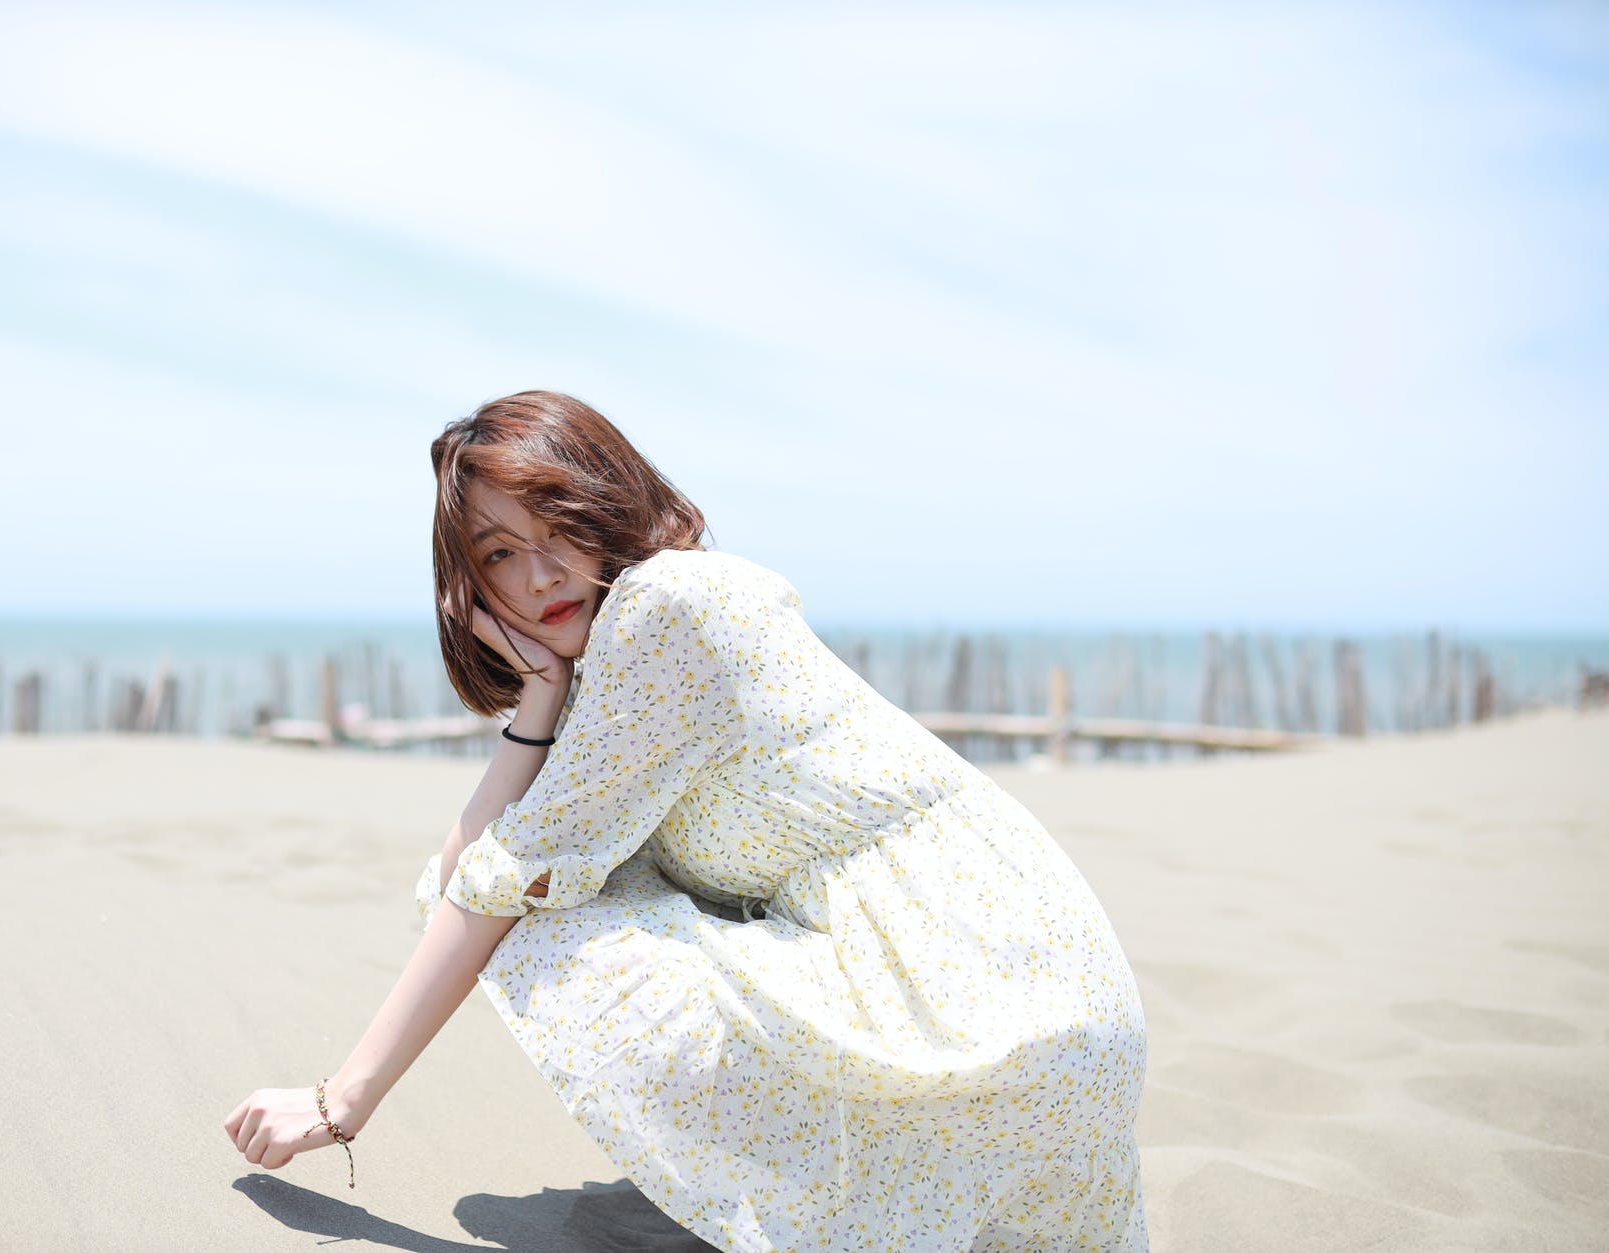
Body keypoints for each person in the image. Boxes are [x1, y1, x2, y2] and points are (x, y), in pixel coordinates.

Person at [224, 391, 1149, 1251]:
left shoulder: (665, 611)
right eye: (499, 552)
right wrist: (543, 695)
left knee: (537, 907)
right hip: (1034, 1010)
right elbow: (480, 864)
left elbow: (479, 878)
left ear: (611, 505)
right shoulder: (650, 627)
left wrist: (339, 1101)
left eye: (560, 528)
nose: (539, 572)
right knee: (560, 878)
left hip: (978, 999)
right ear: (466, 579)